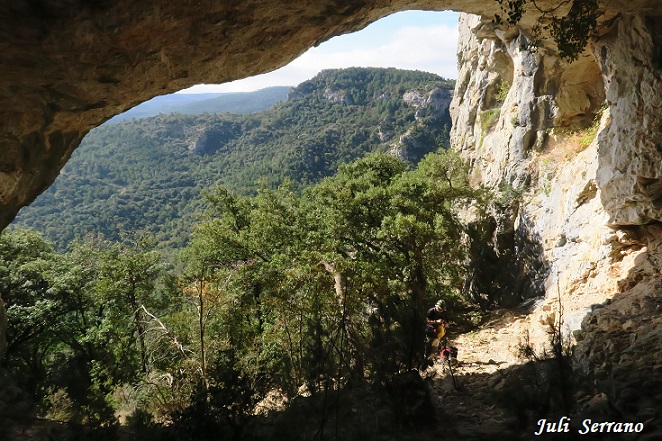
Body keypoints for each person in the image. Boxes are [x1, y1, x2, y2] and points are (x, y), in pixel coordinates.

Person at [425, 300, 448, 365]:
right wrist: (436, 321)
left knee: (435, 348)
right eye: (440, 309)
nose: (441, 311)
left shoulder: (443, 313)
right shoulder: (431, 311)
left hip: (439, 334)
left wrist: (445, 324)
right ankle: (426, 361)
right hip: (430, 331)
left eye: (442, 309)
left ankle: (430, 360)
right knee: (428, 347)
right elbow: (427, 321)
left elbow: (446, 321)